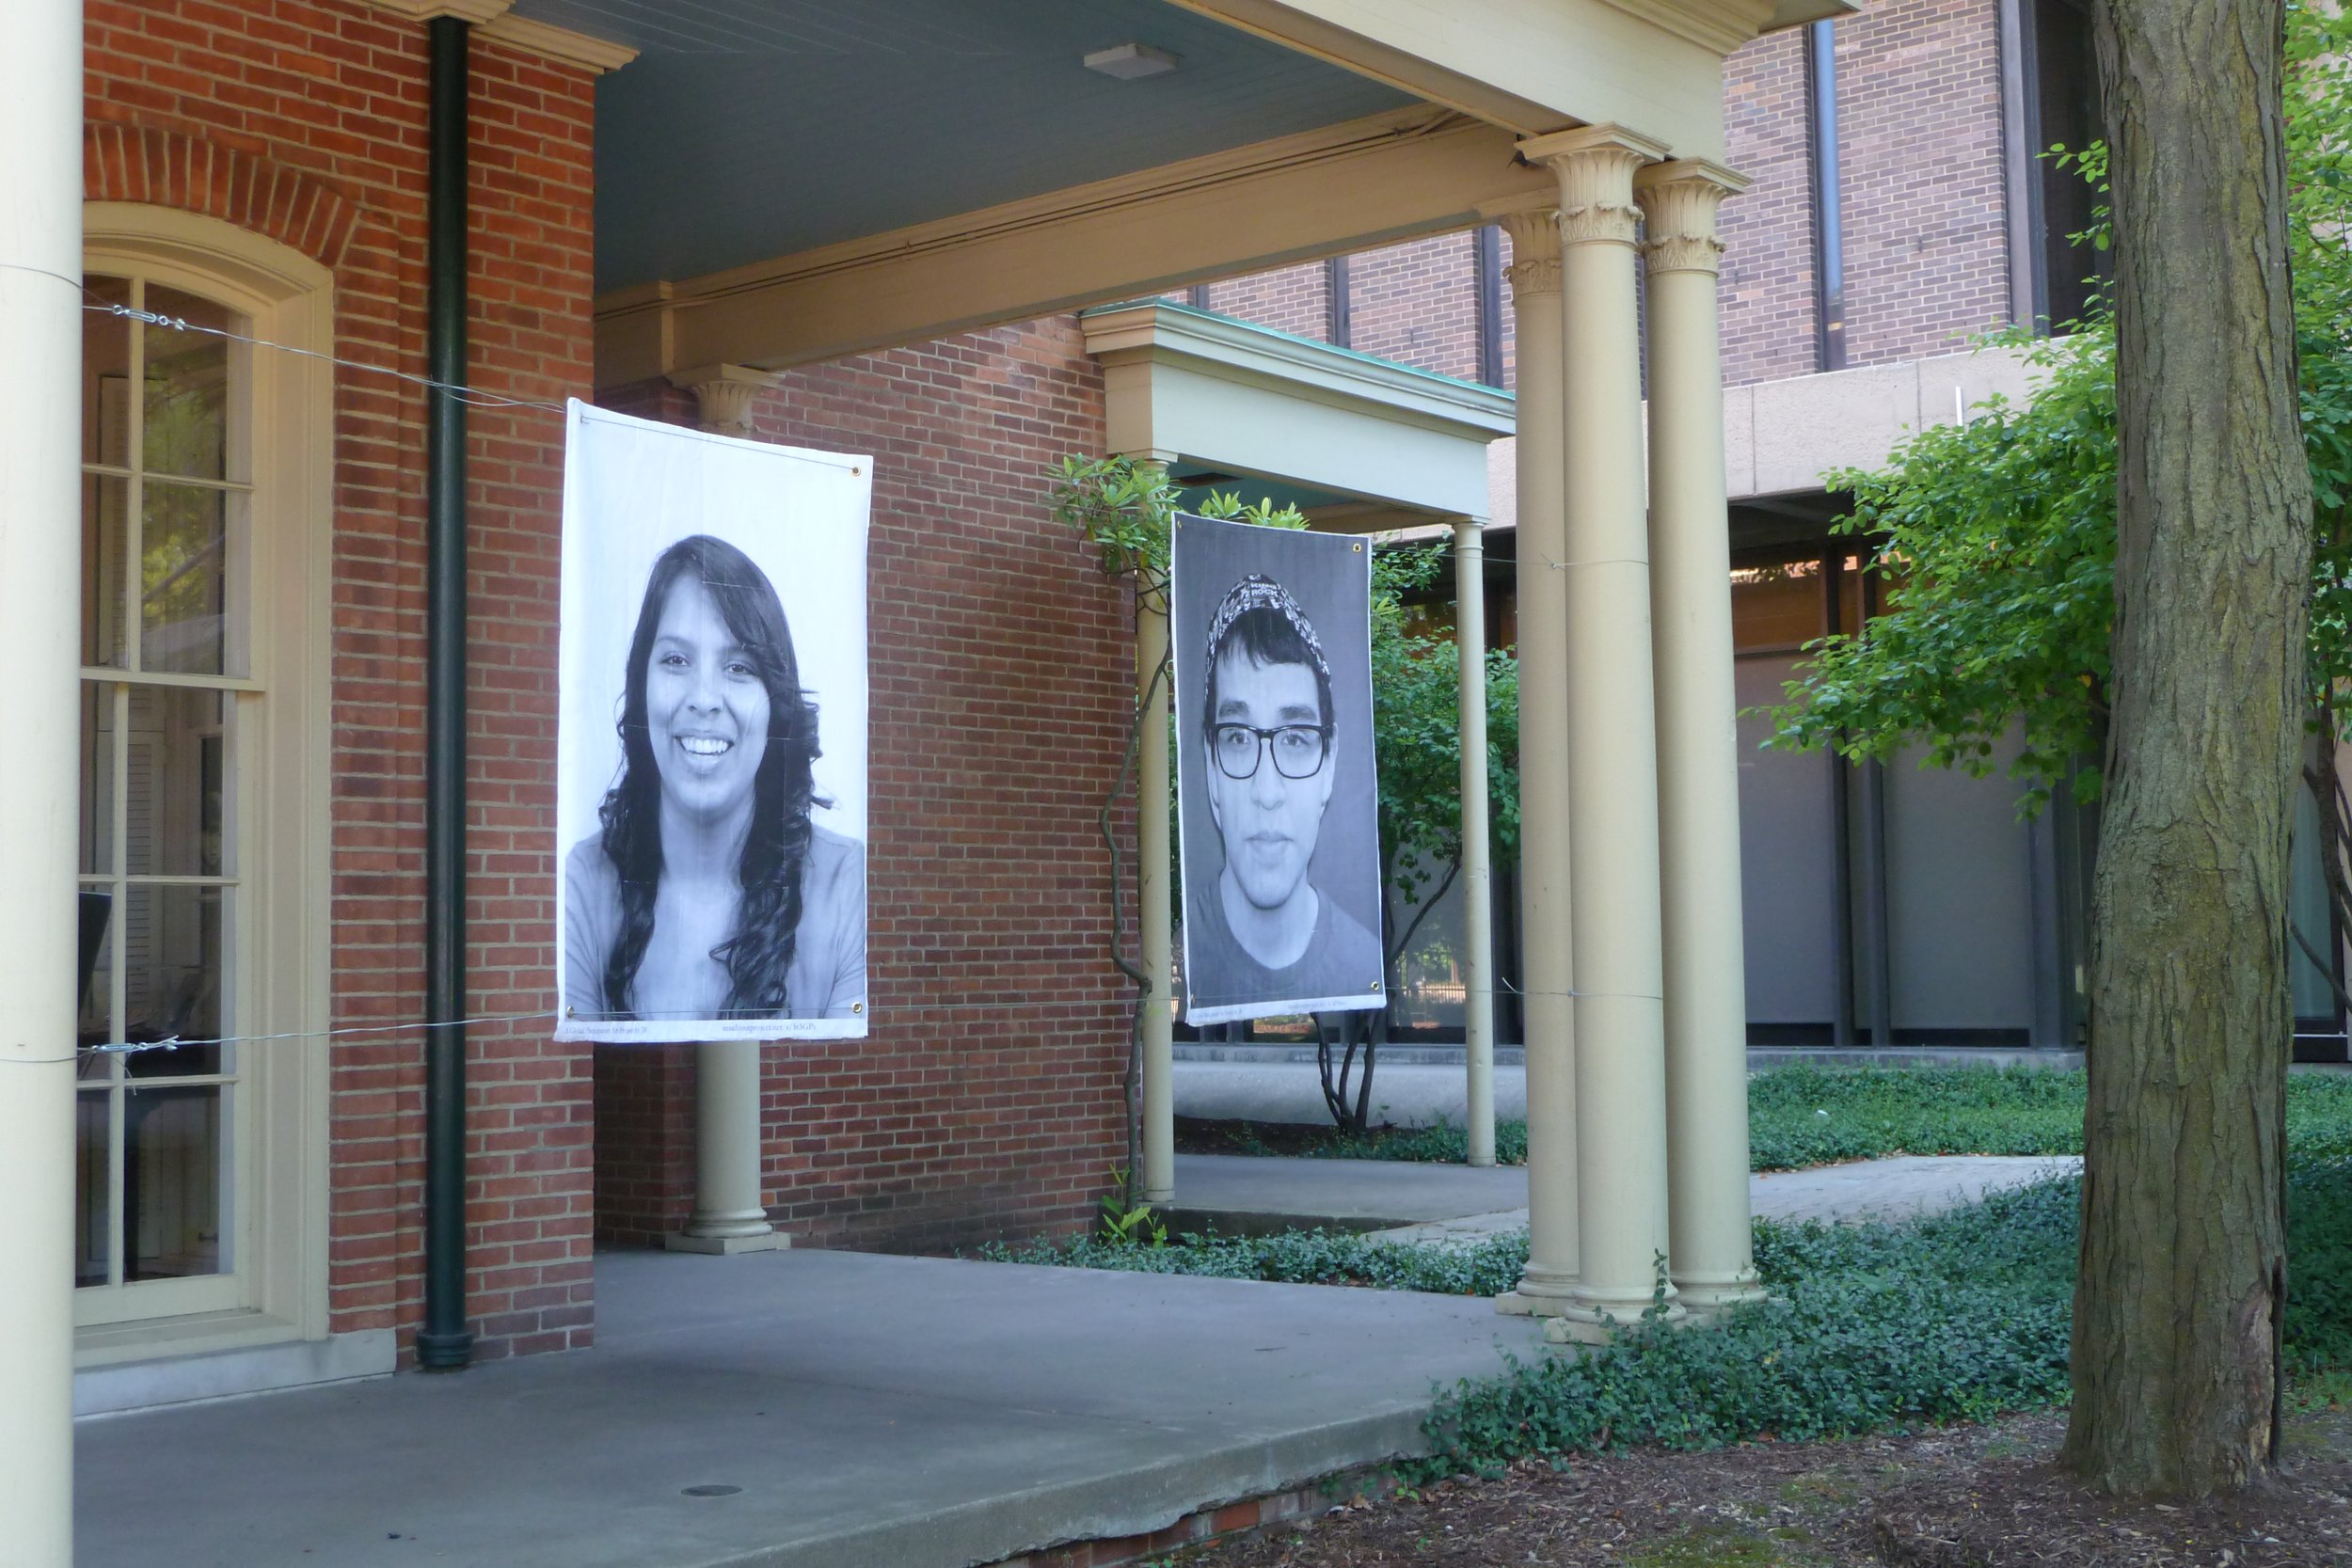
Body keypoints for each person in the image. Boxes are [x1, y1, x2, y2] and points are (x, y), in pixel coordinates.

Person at [564, 533, 865, 1024]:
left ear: (776, 706)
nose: (704, 698)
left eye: (739, 666)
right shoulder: (581, 885)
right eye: (676, 660)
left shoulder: (848, 886)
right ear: (642, 688)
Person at [1185, 572, 1382, 1014]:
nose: (1267, 792)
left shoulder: (1364, 961)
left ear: (1329, 765)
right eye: (1237, 737)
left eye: (1295, 739)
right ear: (1210, 767)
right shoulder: (1175, 958)